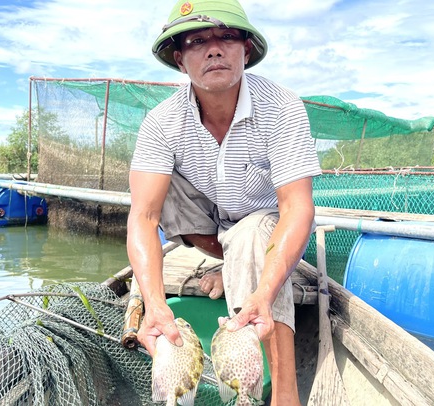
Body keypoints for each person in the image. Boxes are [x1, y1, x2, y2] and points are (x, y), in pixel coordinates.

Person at [126, 0, 321, 404]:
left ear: (245, 50)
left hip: (268, 226)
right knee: (158, 193)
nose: (214, 49)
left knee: (250, 235)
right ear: (180, 60)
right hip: (214, 230)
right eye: (198, 41)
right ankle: (228, 265)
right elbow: (143, 218)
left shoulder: (281, 107)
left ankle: (286, 394)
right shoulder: (162, 122)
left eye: (227, 37)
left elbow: (298, 208)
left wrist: (264, 293)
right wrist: (155, 305)